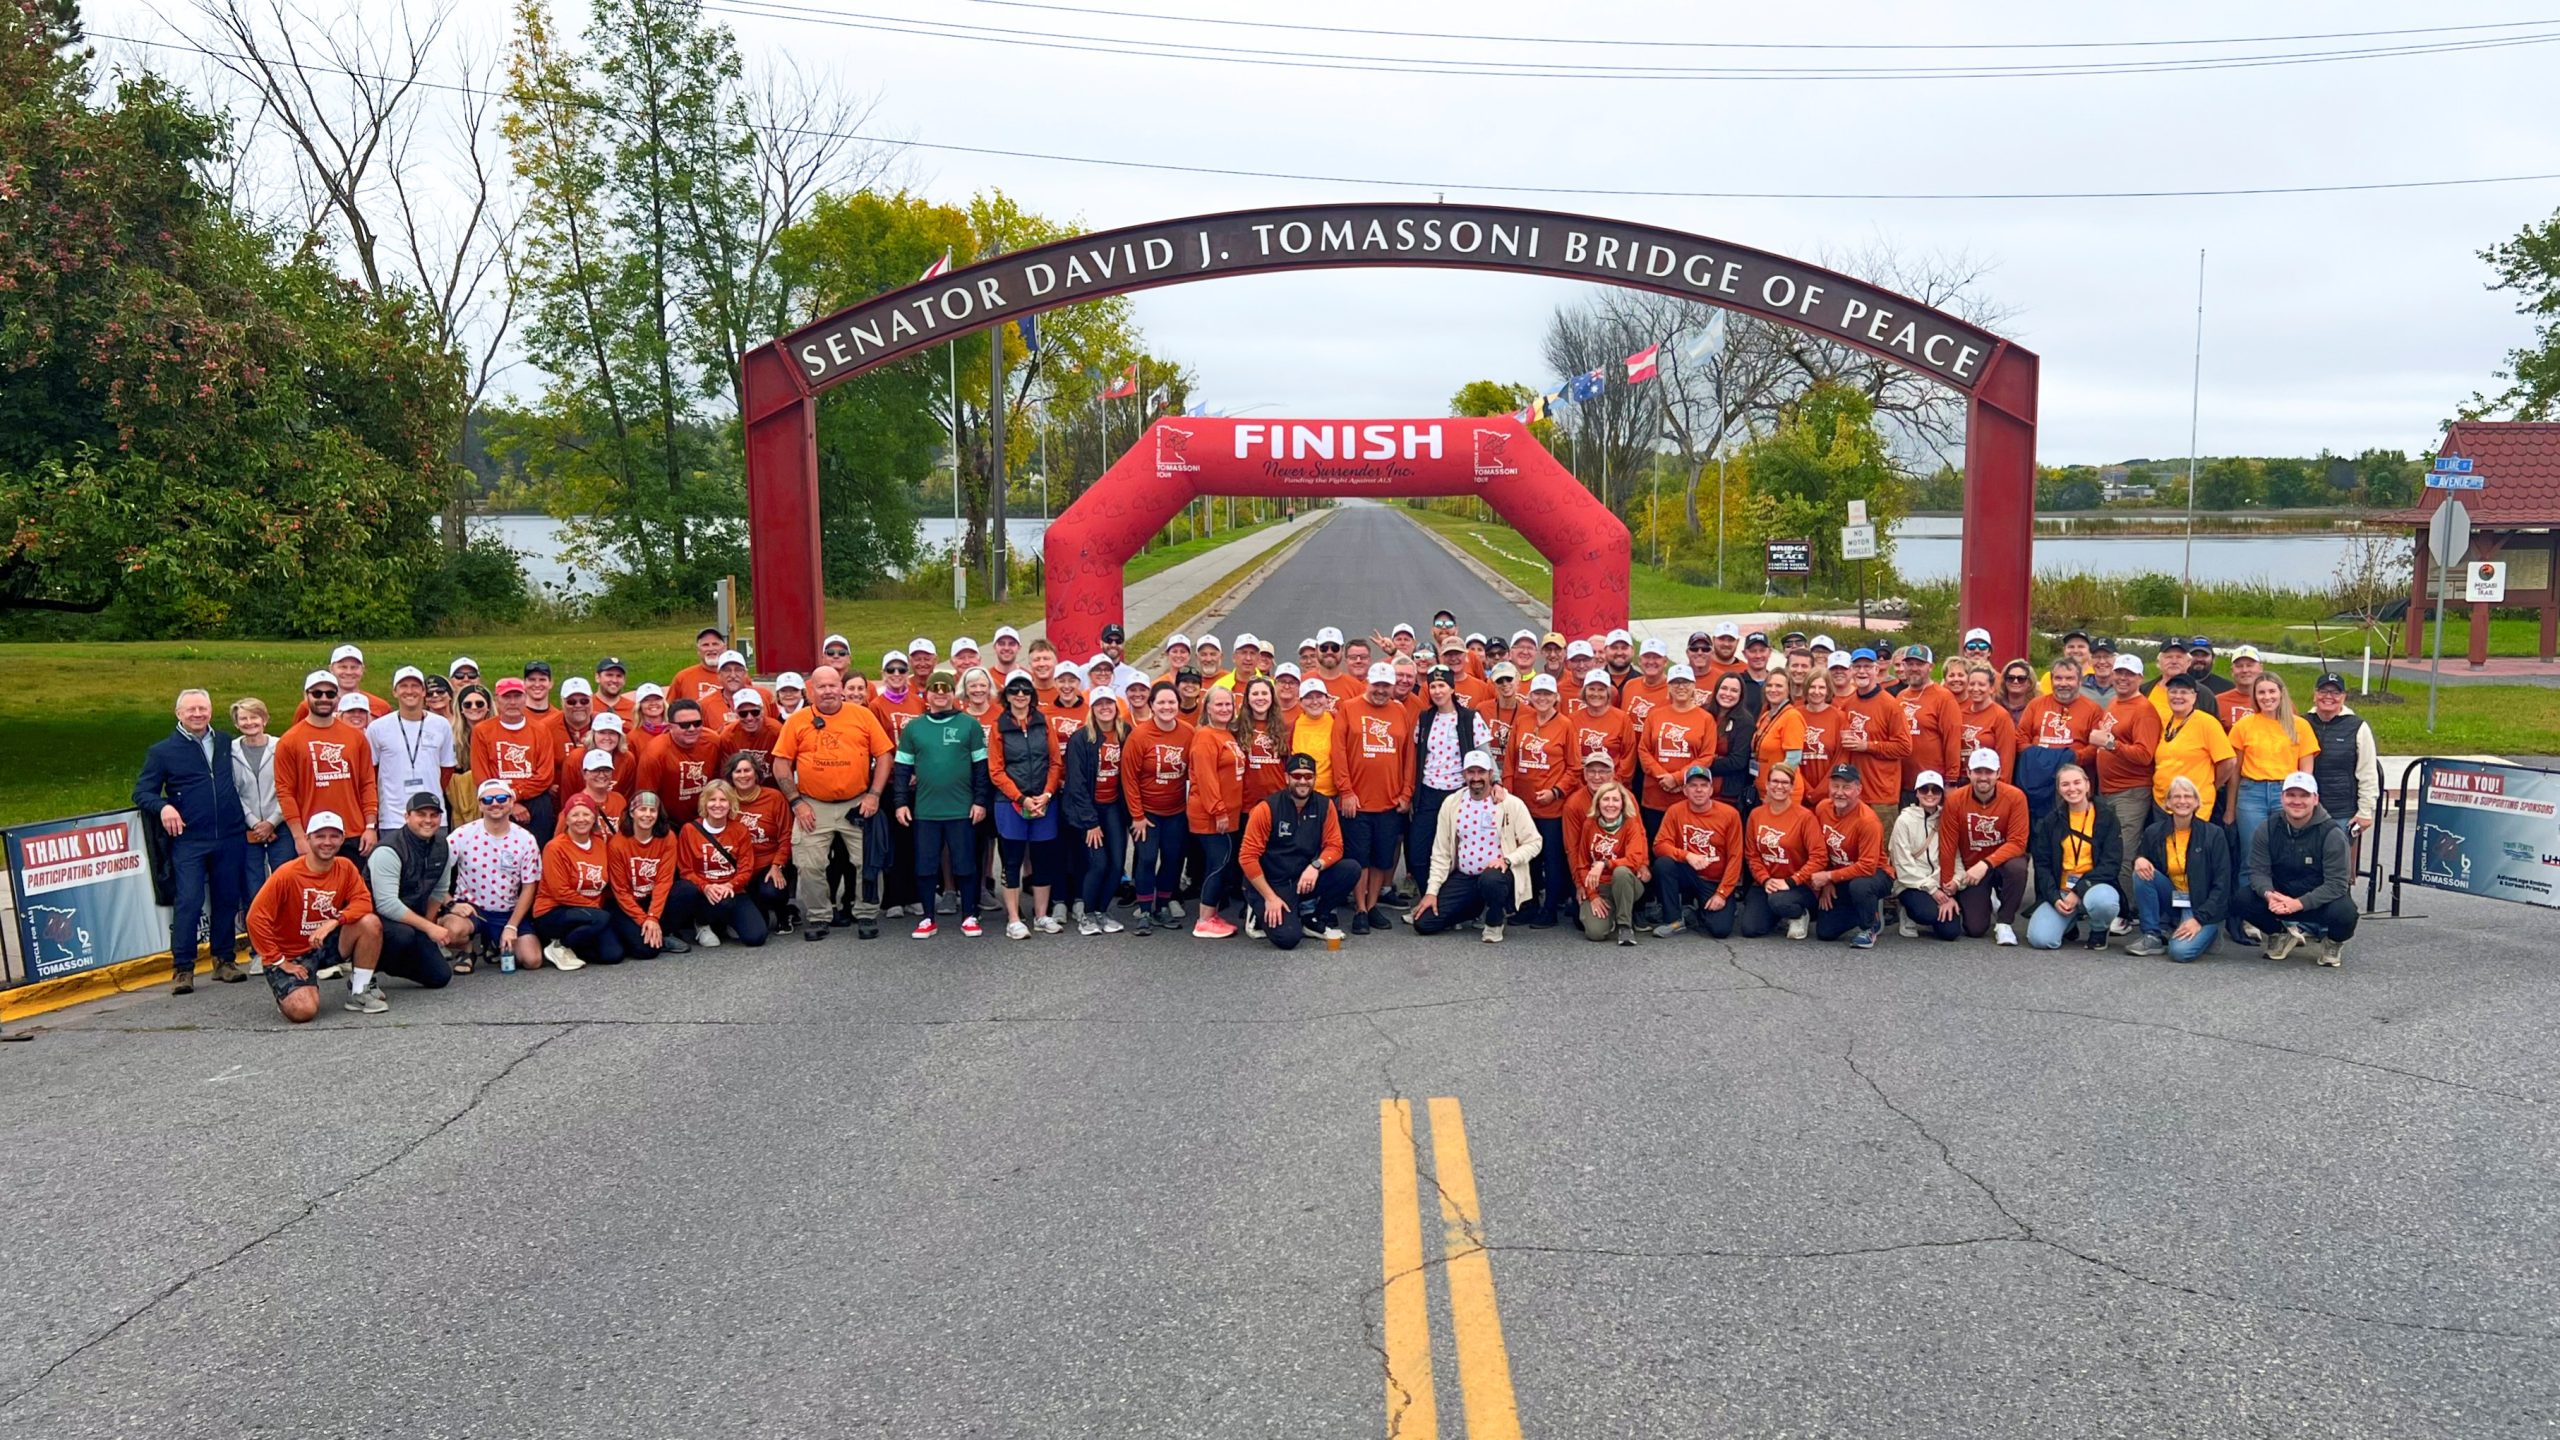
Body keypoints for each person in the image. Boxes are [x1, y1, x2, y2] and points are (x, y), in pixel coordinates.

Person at [135, 688, 248, 992]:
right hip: (189, 839)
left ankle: (224, 961)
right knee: (189, 901)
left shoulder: (224, 742)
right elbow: (142, 792)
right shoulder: (162, 751)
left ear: (210, 711)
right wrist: (164, 807)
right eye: (191, 709)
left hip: (229, 834)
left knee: (227, 898)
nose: (198, 714)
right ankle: (183, 968)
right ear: (178, 714)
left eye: (202, 708)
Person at [771, 666, 892, 942]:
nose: (828, 691)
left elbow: (884, 755)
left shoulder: (862, 716)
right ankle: (819, 916)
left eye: (833, 685)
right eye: (821, 686)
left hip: (857, 802)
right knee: (809, 864)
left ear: (841, 687)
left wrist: (874, 794)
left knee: (867, 860)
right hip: (813, 804)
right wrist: (796, 802)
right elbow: (781, 764)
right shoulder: (797, 721)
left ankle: (866, 912)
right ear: (812, 690)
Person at [244, 810, 381, 1022]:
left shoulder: (345, 867)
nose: (327, 842)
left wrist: (334, 922)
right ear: (308, 838)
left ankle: (359, 991)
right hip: (291, 954)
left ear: (343, 839)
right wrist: (279, 960)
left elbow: (363, 902)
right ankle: (289, 993)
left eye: (334, 836)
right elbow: (255, 918)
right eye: (320, 836)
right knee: (303, 1010)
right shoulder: (287, 874)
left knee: (370, 922)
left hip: (323, 943)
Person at [891, 670, 991, 939]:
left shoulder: (969, 725)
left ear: (952, 694)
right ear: (927, 695)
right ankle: (927, 918)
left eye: (945, 689)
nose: (940, 694)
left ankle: (969, 915)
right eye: (934, 690)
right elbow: (902, 769)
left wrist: (980, 801)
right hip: (926, 811)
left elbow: (981, 768)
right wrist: (901, 803)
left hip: (962, 809)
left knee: (965, 865)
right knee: (925, 866)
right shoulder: (914, 728)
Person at [1410, 750, 1541, 943]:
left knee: (1491, 880)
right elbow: (1441, 853)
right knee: (1423, 924)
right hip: (1466, 876)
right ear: (1464, 774)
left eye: (1481, 772)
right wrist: (1432, 892)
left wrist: (1508, 860)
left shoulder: (1511, 804)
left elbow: (1535, 842)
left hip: (1498, 875)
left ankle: (1494, 921)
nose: (1476, 777)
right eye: (1471, 772)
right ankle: (1474, 909)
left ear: (1490, 774)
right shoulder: (1452, 804)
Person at [2237, 772, 2357, 966]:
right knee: (2242, 899)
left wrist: (2298, 904)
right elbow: (2258, 872)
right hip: (2281, 897)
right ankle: (2280, 934)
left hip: (2318, 901)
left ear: (2315, 799)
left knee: (2345, 912)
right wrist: (2269, 894)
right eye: (2291, 795)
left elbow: (2336, 884)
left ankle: (2333, 942)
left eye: (2304, 795)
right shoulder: (2266, 829)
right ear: (2282, 798)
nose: (2297, 801)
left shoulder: (2332, 834)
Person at [1241, 751, 1359, 949]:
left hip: (1302, 879)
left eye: (1308, 776)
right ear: (1286, 778)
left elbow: (1335, 846)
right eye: (1297, 776)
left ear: (1314, 779)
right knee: (1288, 939)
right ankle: (1256, 909)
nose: (1303, 781)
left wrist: (1316, 866)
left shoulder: (1325, 805)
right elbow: (1247, 857)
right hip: (1272, 882)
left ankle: (1313, 919)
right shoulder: (1267, 808)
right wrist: (1270, 897)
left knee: (1351, 869)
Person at [363, 791, 468, 1001]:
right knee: (403, 935)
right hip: (374, 921)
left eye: (434, 815)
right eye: (421, 814)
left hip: (411, 920)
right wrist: (429, 928)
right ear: (407, 816)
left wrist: (426, 928)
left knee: (440, 976)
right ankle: (364, 972)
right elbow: (386, 904)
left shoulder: (443, 846)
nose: (428, 820)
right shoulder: (388, 850)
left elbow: (439, 890)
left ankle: (391, 962)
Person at [1336, 662, 1415, 933]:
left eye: (1386, 686)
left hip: (1389, 801)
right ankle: (1359, 908)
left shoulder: (1399, 710)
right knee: (1360, 859)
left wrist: (1406, 792)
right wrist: (1346, 791)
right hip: (1357, 802)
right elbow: (1339, 752)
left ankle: (1372, 906)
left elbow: (1408, 756)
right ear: (1367, 683)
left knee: (1382, 858)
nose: (1381, 690)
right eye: (1377, 685)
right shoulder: (1348, 708)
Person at [991, 673, 1067, 939]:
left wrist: (1047, 793)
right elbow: (996, 770)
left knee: (1042, 860)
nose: (1020, 695)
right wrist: (1020, 798)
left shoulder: (1044, 722)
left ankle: (1041, 915)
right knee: (1012, 861)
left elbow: (1055, 762)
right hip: (1011, 802)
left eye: (1025, 690)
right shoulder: (998, 726)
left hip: (1044, 802)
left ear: (1032, 695)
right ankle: (1013, 918)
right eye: (1014, 690)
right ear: (1007, 695)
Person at [2125, 776, 2231, 962]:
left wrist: (2199, 919)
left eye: (2188, 796)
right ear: (2168, 803)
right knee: (2141, 873)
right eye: (2176, 796)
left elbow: (2222, 884)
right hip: (2173, 898)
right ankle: (2152, 935)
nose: (2182, 801)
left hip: (2202, 905)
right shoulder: (2154, 832)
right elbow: (2142, 854)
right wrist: (2139, 859)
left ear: (2197, 802)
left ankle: (2210, 931)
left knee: (2180, 952)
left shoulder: (2214, 834)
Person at [2092, 654, 2163, 924]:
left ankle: (2125, 911)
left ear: (2140, 678)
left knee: (2123, 852)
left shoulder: (2144, 710)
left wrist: (2111, 744)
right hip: (2108, 790)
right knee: (2108, 848)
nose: (2123, 678)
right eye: (2119, 672)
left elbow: (2145, 755)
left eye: (2130, 674)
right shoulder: (2115, 702)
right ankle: (2110, 903)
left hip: (2131, 791)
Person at [277, 670, 379, 857]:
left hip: (353, 831)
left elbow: (367, 783)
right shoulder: (289, 741)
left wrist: (370, 826)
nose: (324, 698)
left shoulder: (356, 737)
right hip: (313, 834)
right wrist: (299, 836)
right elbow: (285, 792)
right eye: (317, 693)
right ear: (306, 696)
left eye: (330, 694)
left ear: (337, 698)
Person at [1405, 666, 1484, 904]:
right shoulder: (1425, 718)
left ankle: (1454, 904)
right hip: (1429, 792)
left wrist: (1496, 784)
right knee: (1418, 852)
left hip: (1458, 792)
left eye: (1442, 686)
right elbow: (1416, 755)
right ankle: (1428, 899)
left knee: (1456, 853)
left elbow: (1485, 754)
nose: (1437, 691)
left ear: (1452, 688)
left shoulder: (1469, 717)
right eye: (1433, 686)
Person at [1505, 673, 1578, 928]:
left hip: (1552, 807)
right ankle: (1529, 904)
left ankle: (1550, 909)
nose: (1543, 698)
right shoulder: (1522, 721)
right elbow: (1510, 762)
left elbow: (1574, 768)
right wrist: (1509, 797)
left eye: (1548, 694)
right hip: (1523, 805)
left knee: (1552, 858)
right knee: (1527, 858)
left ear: (1556, 697)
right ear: (1530, 696)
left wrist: (1556, 791)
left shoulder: (1566, 725)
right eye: (1538, 693)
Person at [448, 779, 544, 973]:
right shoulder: (461, 835)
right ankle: (467, 950)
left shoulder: (526, 839)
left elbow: (529, 886)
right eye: (487, 800)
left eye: (501, 798)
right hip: (471, 909)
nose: (494, 803)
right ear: (480, 805)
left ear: (511, 802)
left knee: (532, 960)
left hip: (507, 910)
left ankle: (494, 942)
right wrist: (450, 904)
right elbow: (436, 875)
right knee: (453, 930)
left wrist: (512, 926)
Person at [2025, 764, 2123, 951]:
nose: (2072, 789)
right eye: (2065, 784)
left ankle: (2099, 929)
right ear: (2059, 789)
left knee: (2104, 902)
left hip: (2094, 887)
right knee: (2040, 940)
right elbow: (2042, 865)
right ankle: (2068, 924)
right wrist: (2054, 898)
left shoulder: (2107, 817)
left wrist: (2078, 891)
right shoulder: (2051, 821)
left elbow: (2111, 864)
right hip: (2062, 891)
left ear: (2087, 785)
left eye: (2077, 782)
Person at [2225, 675, 2319, 865]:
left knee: (2285, 854)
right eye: (2261, 692)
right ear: (2255, 696)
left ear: (2281, 693)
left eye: (2272, 691)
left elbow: (2306, 772)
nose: (2267, 697)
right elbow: (2234, 773)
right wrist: (2230, 809)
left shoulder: (2300, 725)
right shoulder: (2244, 726)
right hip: (2252, 794)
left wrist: (2303, 800)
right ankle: (2250, 886)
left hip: (2287, 793)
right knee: (2252, 855)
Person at [1941, 748, 2032, 944]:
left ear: (1998, 773)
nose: (1983, 777)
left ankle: (2005, 922)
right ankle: (1988, 899)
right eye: (1978, 771)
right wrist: (1948, 888)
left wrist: (1986, 864)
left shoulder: (2015, 797)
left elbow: (2018, 842)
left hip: (2001, 863)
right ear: (1968, 773)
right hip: (1971, 869)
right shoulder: (1955, 800)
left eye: (1989, 772)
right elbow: (1948, 845)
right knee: (1975, 928)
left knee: (2017, 867)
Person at [1063, 689, 1132, 936]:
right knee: (1098, 863)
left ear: (1116, 707)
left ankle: (1102, 911)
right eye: (1099, 704)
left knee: (1117, 863)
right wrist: (1090, 822)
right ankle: (1088, 913)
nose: (1105, 708)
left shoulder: (1126, 733)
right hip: (1089, 809)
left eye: (1109, 703)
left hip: (1114, 807)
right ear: (1092, 709)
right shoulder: (1080, 738)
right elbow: (1076, 783)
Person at [1647, 765, 1743, 940]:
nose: (1699, 790)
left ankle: (1695, 912)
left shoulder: (1730, 814)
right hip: (1687, 873)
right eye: (1693, 785)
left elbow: (1735, 858)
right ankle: (1674, 920)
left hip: (1714, 880)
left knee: (1720, 930)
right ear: (1685, 790)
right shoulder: (1675, 811)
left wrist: (1722, 893)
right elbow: (1659, 846)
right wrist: (1687, 856)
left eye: (1704, 785)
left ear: (1711, 790)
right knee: (1663, 864)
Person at [677, 779, 771, 948]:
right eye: (712, 800)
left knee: (756, 937)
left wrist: (730, 885)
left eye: (723, 800)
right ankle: (702, 923)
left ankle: (727, 921)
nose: (717, 805)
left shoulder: (740, 830)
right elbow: (686, 870)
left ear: (731, 804)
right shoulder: (689, 830)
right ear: (705, 803)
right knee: (700, 895)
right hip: (705, 892)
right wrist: (706, 887)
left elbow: (746, 869)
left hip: (733, 890)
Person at [1185, 686, 1247, 938]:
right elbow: (1206, 778)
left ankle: (1211, 913)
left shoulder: (1226, 734)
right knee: (1217, 864)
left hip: (1229, 813)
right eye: (1218, 704)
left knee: (1222, 863)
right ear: (1207, 708)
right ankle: (1204, 920)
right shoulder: (1205, 737)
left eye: (1228, 704)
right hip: (1211, 814)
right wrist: (1218, 810)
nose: (1224, 709)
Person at [1807, 764, 1889, 947]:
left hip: (1874, 874)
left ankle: (1869, 926)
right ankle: (1865, 909)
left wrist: (1829, 876)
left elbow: (1867, 866)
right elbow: (1820, 849)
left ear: (1858, 789)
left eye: (1846, 787)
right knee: (1825, 932)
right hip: (1841, 874)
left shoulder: (1868, 821)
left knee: (1860, 887)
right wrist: (1828, 882)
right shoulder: (1822, 808)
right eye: (1835, 786)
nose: (1839, 792)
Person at [371, 666, 457, 840]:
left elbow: (447, 769)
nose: (409, 691)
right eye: (403, 686)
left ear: (424, 691)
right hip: (393, 819)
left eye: (415, 686)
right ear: (394, 692)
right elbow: (371, 771)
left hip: (433, 818)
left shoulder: (441, 725)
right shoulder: (378, 728)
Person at [531, 795, 617, 968]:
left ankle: (573, 945)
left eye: (586, 814)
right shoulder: (554, 847)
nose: (581, 819)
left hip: (588, 911)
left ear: (594, 818)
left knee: (613, 954)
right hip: (553, 910)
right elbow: (560, 892)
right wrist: (594, 907)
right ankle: (559, 945)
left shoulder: (600, 844)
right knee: (602, 918)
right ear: (567, 819)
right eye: (575, 814)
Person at [2304, 672, 2380, 868]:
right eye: (2323, 691)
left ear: (2344, 697)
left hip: (2341, 812)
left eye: (2335, 692)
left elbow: (2367, 772)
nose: (2328, 697)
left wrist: (2365, 811)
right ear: (2315, 694)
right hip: (2304, 810)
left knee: (2337, 868)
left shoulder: (2358, 727)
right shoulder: (2302, 723)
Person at [471, 676, 558, 844]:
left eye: (517, 696)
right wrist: (507, 802)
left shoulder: (540, 730)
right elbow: (482, 776)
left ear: (525, 698)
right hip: (496, 799)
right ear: (496, 700)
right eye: (506, 697)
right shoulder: (482, 731)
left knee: (538, 848)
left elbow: (545, 775)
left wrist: (515, 795)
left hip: (535, 799)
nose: (512, 702)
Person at [1564, 774, 1649, 945]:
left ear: (1622, 803)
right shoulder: (1589, 824)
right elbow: (1583, 864)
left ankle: (1625, 926)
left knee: (1621, 871)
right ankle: (1613, 914)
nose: (1611, 804)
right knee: (1595, 933)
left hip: (1625, 883)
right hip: (1598, 886)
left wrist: (1604, 863)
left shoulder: (1630, 823)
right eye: (1606, 799)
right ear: (1598, 803)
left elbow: (1634, 859)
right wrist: (1592, 895)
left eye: (1615, 800)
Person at [2015, 657, 2102, 822]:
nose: (2063, 683)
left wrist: (2070, 758)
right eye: (2058, 678)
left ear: (2080, 680)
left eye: (2069, 678)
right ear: (2051, 679)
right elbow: (2020, 737)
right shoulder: (2035, 705)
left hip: (2073, 781)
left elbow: (2095, 747)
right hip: (2037, 778)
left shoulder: (2093, 710)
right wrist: (2037, 758)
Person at [1739, 763, 1820, 939]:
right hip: (1767, 883)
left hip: (1798, 885)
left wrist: (1791, 881)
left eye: (1785, 782)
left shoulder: (1805, 817)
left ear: (1792, 787)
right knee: (1750, 929)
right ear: (1767, 785)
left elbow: (1819, 857)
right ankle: (1778, 914)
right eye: (1775, 781)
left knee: (1779, 900)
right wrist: (1765, 879)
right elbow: (1752, 854)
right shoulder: (1756, 815)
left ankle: (1799, 914)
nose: (1779, 786)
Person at [2151, 675, 2237, 841]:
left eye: (2184, 692)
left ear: (2194, 696)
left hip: (2192, 805)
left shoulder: (2207, 722)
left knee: (2191, 850)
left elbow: (2229, 761)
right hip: (2163, 802)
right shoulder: (2167, 721)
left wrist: (2212, 784)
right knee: (2166, 851)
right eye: (2173, 691)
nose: (2178, 696)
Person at [607, 791, 688, 958]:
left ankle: (663, 932)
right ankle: (651, 935)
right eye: (642, 809)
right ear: (632, 813)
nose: (648, 814)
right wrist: (644, 919)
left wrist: (652, 916)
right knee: (646, 952)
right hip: (628, 903)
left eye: (652, 810)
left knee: (686, 890)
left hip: (653, 899)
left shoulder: (668, 838)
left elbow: (664, 881)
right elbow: (620, 891)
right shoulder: (617, 844)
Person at [1636, 665, 1712, 837]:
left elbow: (1706, 756)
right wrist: (1662, 776)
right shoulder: (1655, 715)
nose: (1680, 687)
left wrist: (1677, 778)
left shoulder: (1706, 719)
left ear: (1693, 686)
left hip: (1687, 796)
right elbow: (1643, 750)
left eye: (1685, 682)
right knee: (1655, 843)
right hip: (1655, 795)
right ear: (1668, 686)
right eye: (1675, 682)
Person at [231, 696, 296, 898]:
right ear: (236, 723)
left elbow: (291, 787)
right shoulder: (230, 751)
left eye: (254, 717)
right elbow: (232, 791)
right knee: (253, 887)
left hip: (281, 824)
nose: (249, 722)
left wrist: (272, 822)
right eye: (243, 718)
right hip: (247, 827)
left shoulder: (282, 746)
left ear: (264, 720)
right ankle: (256, 919)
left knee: (285, 881)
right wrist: (253, 823)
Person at [724, 753, 794, 936]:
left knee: (771, 891)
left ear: (756, 774)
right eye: (738, 771)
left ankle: (782, 911)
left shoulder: (774, 798)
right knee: (757, 924)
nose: (743, 775)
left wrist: (778, 865)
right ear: (731, 776)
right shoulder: (725, 800)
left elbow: (786, 835)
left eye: (747, 770)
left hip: (768, 863)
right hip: (740, 866)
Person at [1889, 770, 1964, 942]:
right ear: (1916, 792)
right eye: (1924, 789)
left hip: (1940, 883)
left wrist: (1956, 882)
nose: (1930, 794)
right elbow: (1902, 864)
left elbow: (1956, 857)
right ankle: (1908, 912)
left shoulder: (1947, 817)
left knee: (1951, 932)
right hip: (1911, 882)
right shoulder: (1904, 820)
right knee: (1926, 913)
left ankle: (1933, 914)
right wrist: (1932, 890)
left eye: (1935, 790)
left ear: (1941, 794)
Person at [634, 697, 720, 830]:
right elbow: (645, 796)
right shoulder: (655, 753)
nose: (692, 729)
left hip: (706, 817)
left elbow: (720, 781)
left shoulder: (713, 741)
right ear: (670, 726)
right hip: (668, 821)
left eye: (697, 723)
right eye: (684, 725)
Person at [668, 626, 730, 714]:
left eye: (715, 644)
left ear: (724, 648)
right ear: (698, 650)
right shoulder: (683, 678)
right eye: (705, 645)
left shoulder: (737, 677)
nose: (711, 649)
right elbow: (669, 711)